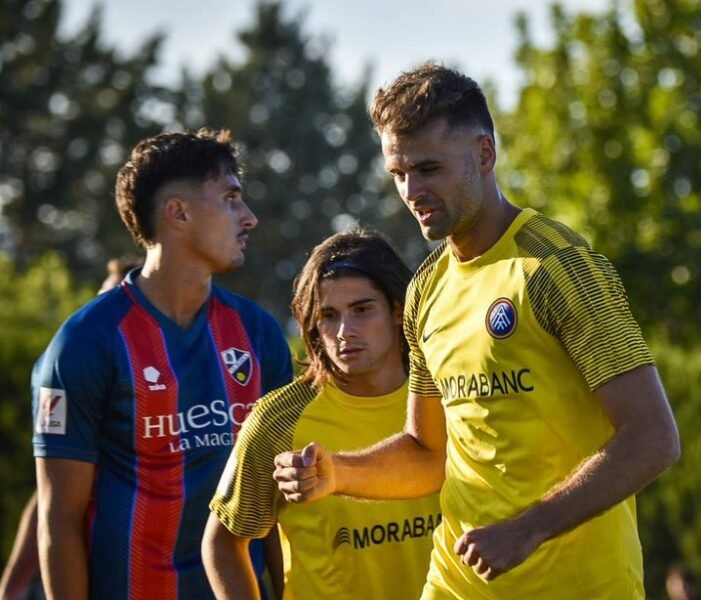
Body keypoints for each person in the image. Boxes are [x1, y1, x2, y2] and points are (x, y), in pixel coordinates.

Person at [273, 62, 681, 598]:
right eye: (398, 173)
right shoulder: (425, 290)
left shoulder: (558, 268)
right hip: (459, 583)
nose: (411, 189)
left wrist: (528, 528)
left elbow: (653, 439)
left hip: (580, 585)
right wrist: (339, 474)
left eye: (428, 168)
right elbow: (427, 451)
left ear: (484, 155)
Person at [31, 129, 293, 599]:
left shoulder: (259, 335)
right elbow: (59, 519)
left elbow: (279, 507)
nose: (249, 217)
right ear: (178, 212)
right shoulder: (84, 342)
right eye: (231, 198)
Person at [202, 229, 440, 599]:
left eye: (362, 310)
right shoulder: (277, 418)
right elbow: (222, 543)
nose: (345, 332)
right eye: (329, 315)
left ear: (397, 310)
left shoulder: (446, 398)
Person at [1, 257, 142, 600]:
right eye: (99, 301)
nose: (100, 315)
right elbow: (48, 501)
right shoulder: (71, 364)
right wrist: (10, 587)